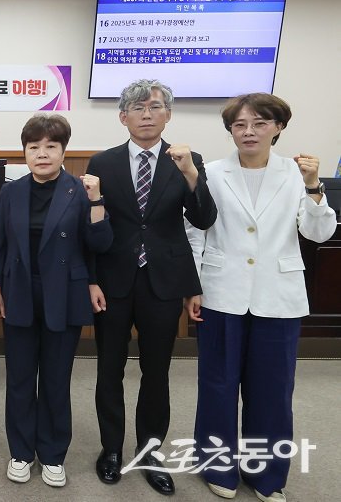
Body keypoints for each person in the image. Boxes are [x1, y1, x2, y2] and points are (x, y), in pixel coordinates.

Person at [185, 94, 336, 502]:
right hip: (221, 292)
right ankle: (217, 466)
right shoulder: (211, 173)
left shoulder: (297, 174)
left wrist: (314, 188)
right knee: (217, 385)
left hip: (278, 295)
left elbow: (318, 233)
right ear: (230, 131)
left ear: (278, 127)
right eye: (239, 125)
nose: (248, 132)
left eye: (259, 123)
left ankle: (267, 475)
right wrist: (193, 286)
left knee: (273, 391)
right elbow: (195, 232)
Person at [87, 78, 217, 495]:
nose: (147, 114)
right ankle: (111, 449)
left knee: (156, 371)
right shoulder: (102, 162)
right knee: (109, 368)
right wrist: (91, 279)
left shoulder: (188, 160)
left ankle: (150, 452)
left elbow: (203, 219)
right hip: (113, 280)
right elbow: (93, 225)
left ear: (168, 115)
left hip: (164, 281)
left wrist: (191, 174)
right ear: (123, 117)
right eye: (138, 108)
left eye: (155, 107)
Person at [0, 114, 113, 487]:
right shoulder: (11, 192)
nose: (42, 154)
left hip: (64, 293)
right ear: (25, 151)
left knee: (56, 380)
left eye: (50, 146)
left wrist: (97, 201)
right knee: (20, 378)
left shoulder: (80, 190)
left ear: (63, 151)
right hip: (19, 291)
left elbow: (99, 244)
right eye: (34, 147)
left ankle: (53, 454)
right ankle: (21, 452)